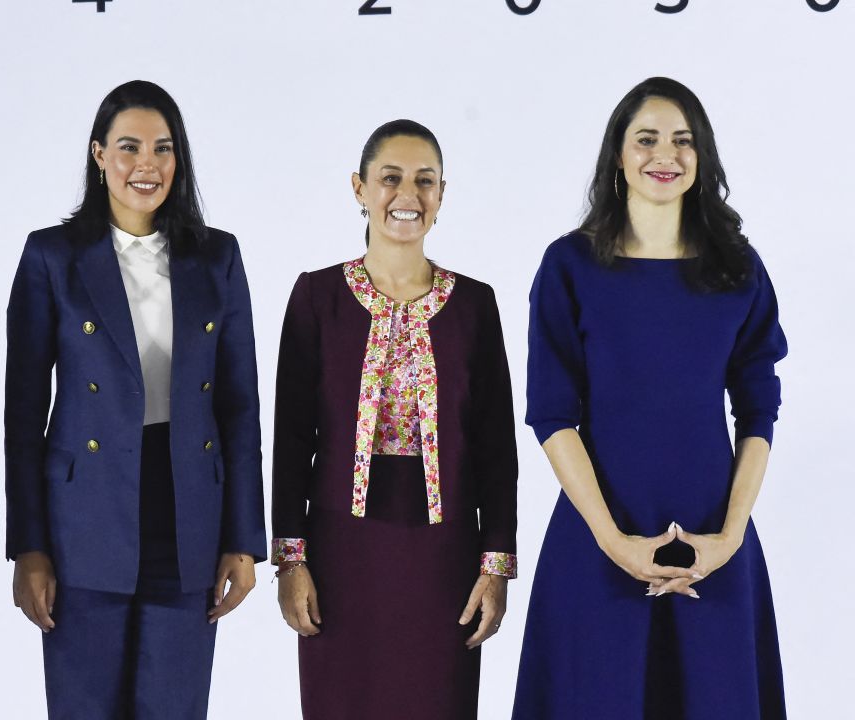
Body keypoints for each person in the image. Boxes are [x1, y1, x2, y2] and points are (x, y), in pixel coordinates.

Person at [512, 77, 788, 719]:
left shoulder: (738, 269)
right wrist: (614, 543)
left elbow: (759, 411)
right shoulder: (569, 266)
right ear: (618, 154)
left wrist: (728, 537)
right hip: (597, 542)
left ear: (703, 158)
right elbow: (552, 414)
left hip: (714, 545)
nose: (665, 155)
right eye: (647, 139)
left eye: (683, 141)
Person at [4, 79, 265, 720]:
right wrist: (29, 546)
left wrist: (242, 537)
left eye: (163, 148)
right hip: (84, 521)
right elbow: (21, 415)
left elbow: (239, 405)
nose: (146, 165)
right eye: (128, 147)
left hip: (187, 518)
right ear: (98, 156)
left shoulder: (217, 256)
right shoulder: (53, 256)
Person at [271, 119, 519, 719]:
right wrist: (292, 559)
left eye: (424, 181)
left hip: (445, 556)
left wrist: (495, 568)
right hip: (339, 554)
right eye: (390, 178)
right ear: (359, 188)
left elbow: (496, 449)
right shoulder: (316, 298)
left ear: (441, 194)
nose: (407, 195)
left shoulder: (475, 306)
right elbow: (288, 440)